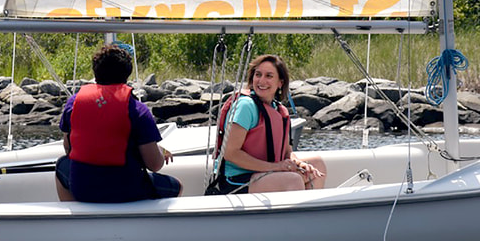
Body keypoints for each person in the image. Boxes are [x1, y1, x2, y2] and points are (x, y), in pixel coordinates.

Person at [55, 44, 182, 203]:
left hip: (83, 189)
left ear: (96, 72)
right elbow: (154, 165)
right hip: (127, 191)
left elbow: (68, 148)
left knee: (61, 164)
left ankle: (76, 219)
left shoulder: (73, 104)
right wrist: (160, 152)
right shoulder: (138, 110)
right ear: (127, 75)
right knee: (177, 186)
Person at [209, 54, 327, 194]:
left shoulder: (280, 111)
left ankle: (308, 214)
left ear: (280, 83)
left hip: (266, 172)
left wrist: (298, 163)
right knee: (292, 180)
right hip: (236, 180)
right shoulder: (245, 106)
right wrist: (275, 167)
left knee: (317, 164)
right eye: (258, 74)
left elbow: (287, 152)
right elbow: (230, 153)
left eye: (269, 76)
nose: (261, 81)